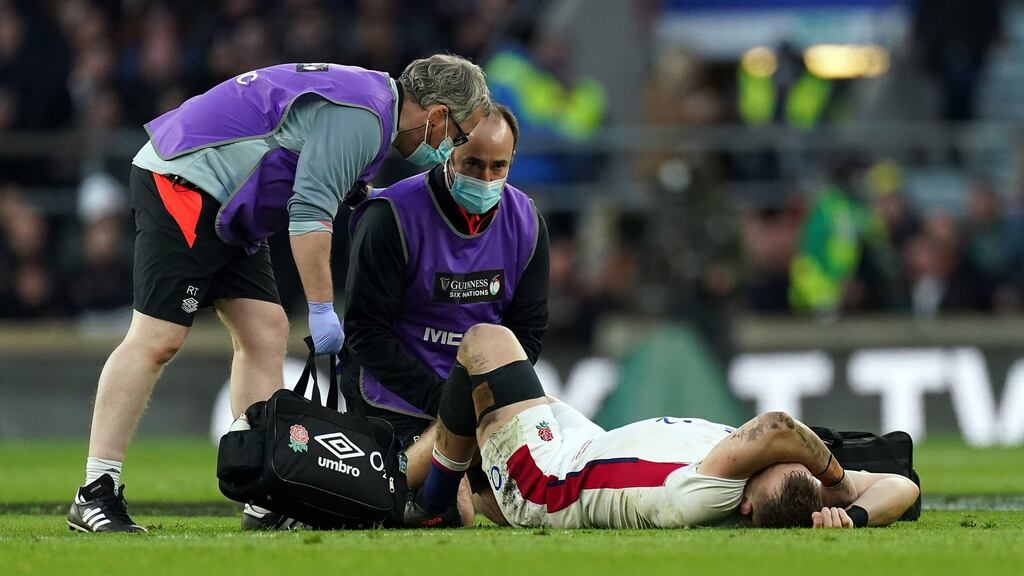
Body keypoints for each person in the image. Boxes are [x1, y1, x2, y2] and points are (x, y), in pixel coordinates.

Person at [67, 55, 491, 534]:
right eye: (458, 134)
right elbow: (309, 213)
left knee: (265, 332)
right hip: (185, 180)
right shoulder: (365, 116)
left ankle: (263, 491)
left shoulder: (373, 103)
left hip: (225, 198)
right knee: (157, 337)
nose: (453, 145)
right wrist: (322, 309)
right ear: (436, 114)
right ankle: (95, 491)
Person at [416, 323, 920, 529]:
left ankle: (433, 499)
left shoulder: (708, 493)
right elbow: (902, 487)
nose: (786, 457)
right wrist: (851, 512)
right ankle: (465, 489)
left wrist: (836, 478)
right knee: (486, 409)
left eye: (770, 464)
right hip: (590, 447)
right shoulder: (790, 490)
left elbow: (777, 427)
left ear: (744, 504)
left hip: (547, 480)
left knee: (487, 344)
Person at [342, 104, 549, 527]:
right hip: (395, 400)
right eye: (473, 163)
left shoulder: (527, 223)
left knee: (541, 505)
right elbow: (365, 335)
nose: (486, 179)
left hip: (476, 403)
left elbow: (526, 337)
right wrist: (448, 406)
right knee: (453, 519)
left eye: (499, 166)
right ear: (448, 151)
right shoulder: (390, 217)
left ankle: (474, 481)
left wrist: (476, 405)